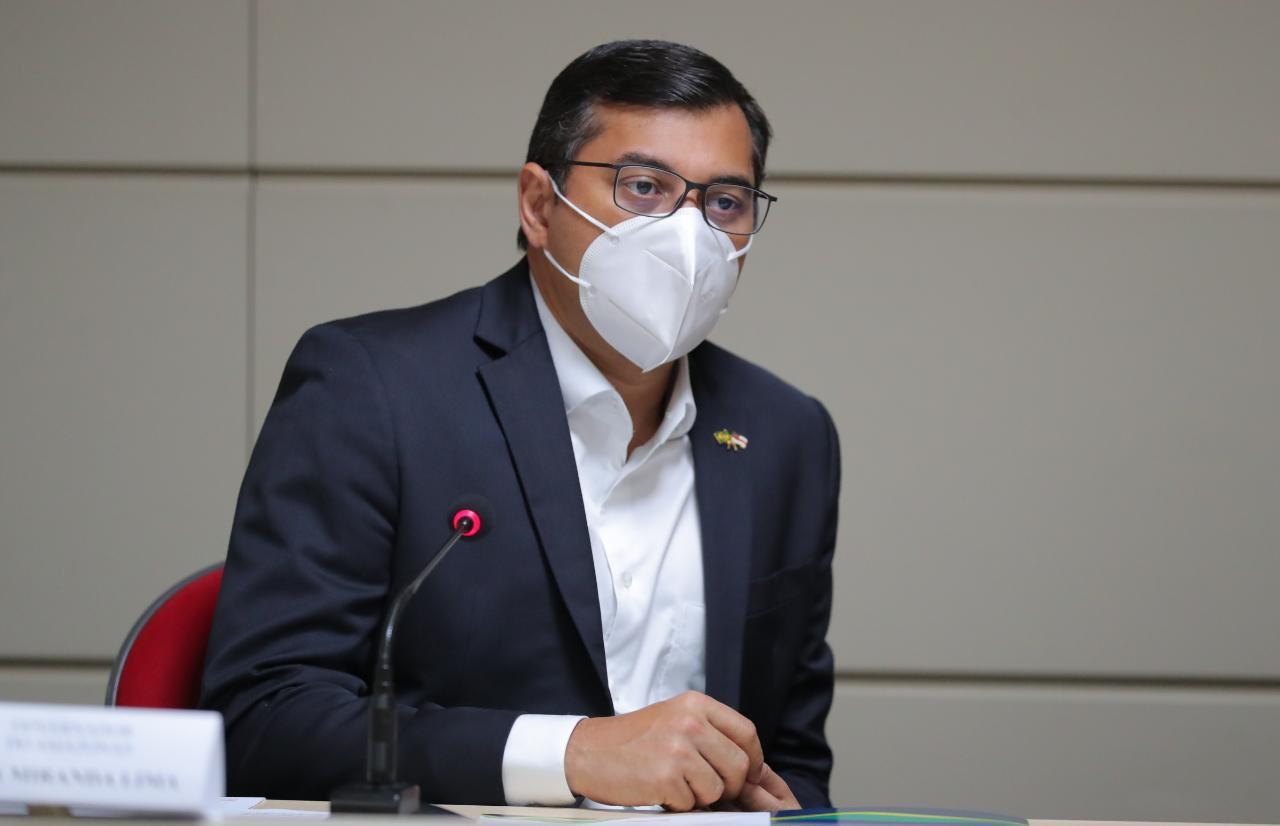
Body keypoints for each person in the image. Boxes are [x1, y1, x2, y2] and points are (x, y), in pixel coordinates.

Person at [200, 39, 840, 813]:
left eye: (725, 203)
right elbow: (263, 719)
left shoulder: (786, 435)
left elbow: (794, 758)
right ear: (539, 205)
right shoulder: (373, 387)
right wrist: (569, 754)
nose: (689, 233)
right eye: (643, 187)